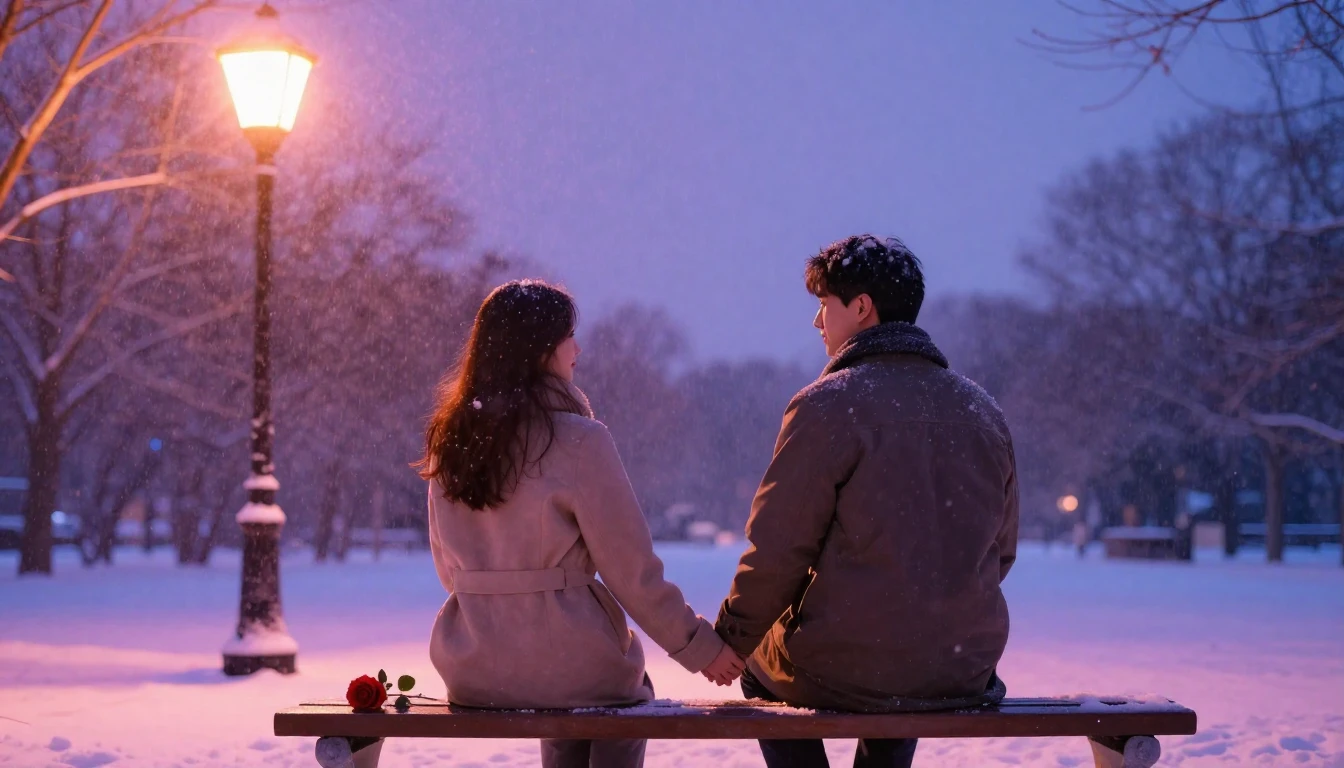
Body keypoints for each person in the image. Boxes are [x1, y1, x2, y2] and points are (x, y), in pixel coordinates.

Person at [715, 235, 1020, 768]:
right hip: (960, 666)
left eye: (824, 304)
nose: (817, 321)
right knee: (901, 675)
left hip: (845, 664)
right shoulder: (982, 410)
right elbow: (1002, 550)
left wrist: (733, 638)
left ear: (861, 307)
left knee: (762, 668)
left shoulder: (828, 405)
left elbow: (779, 549)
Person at [417, 280, 744, 768]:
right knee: (614, 694)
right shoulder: (578, 440)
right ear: (542, 349)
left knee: (566, 689)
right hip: (576, 666)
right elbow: (631, 570)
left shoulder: (451, 442)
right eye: (569, 336)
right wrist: (697, 647)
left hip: (471, 669)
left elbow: (449, 569)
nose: (578, 349)